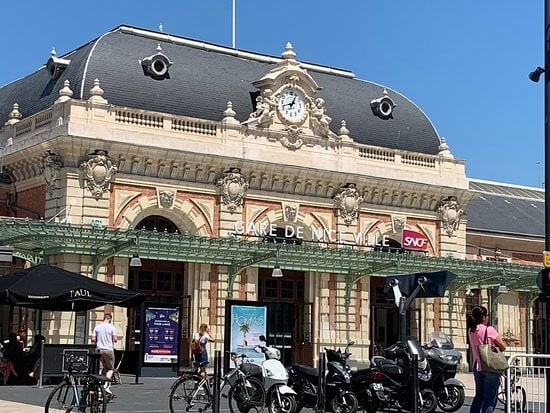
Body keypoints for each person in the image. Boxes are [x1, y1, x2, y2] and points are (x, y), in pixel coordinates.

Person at [468, 305, 506, 413]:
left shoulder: (471, 330)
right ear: (483, 317)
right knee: (489, 398)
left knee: (478, 396)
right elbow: (503, 346)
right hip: (489, 366)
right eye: (487, 315)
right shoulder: (489, 330)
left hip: (477, 366)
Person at [92, 314, 117, 400]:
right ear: (110, 319)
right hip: (109, 349)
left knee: (100, 368)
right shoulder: (112, 327)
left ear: (103, 318)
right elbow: (115, 339)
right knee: (110, 368)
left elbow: (93, 339)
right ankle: (106, 386)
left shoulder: (97, 327)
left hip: (99, 349)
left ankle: (99, 387)